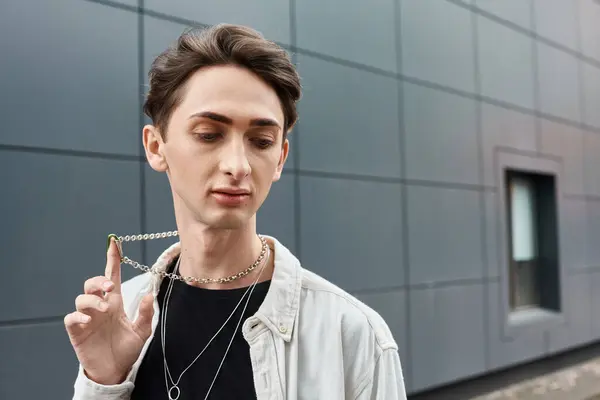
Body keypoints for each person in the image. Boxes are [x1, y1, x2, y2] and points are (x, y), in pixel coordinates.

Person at [64, 23, 407, 400]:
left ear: (280, 159)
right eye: (209, 134)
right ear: (156, 147)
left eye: (261, 141)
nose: (238, 165)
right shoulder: (123, 311)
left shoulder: (350, 335)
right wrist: (105, 381)